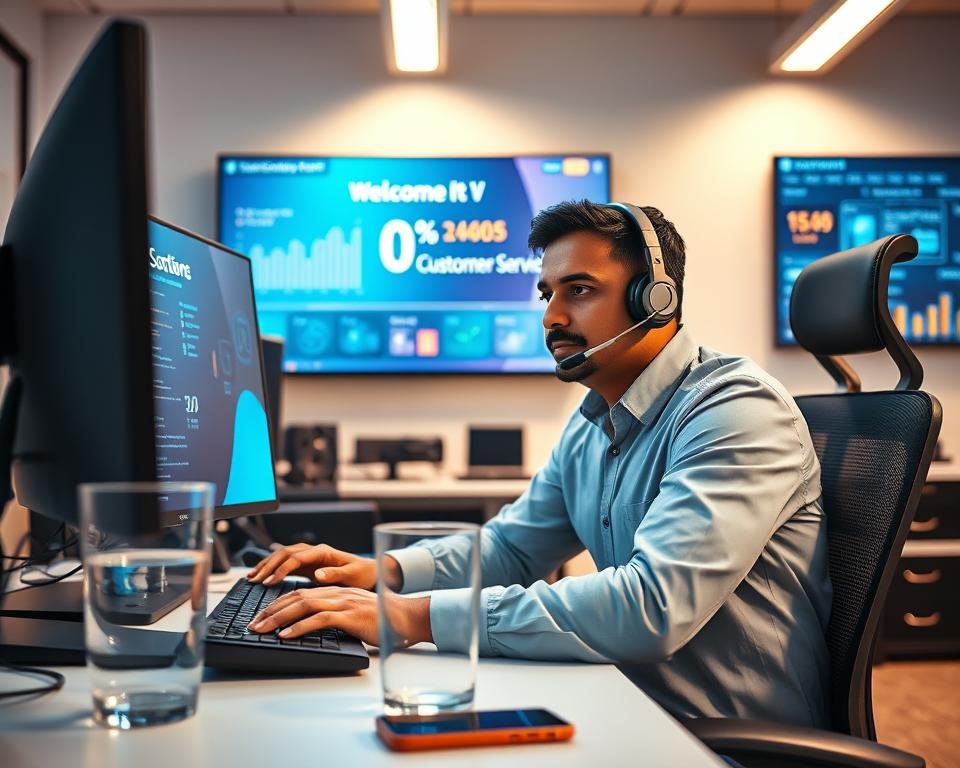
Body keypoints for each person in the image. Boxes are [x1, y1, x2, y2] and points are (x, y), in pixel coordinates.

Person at [246, 200, 832, 727]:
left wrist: (408, 617)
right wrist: (384, 573)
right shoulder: (593, 422)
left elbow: (650, 607)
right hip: (624, 704)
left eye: (578, 289)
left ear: (654, 299)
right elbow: (513, 549)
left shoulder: (735, 410)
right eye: (546, 293)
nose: (551, 316)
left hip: (720, 739)